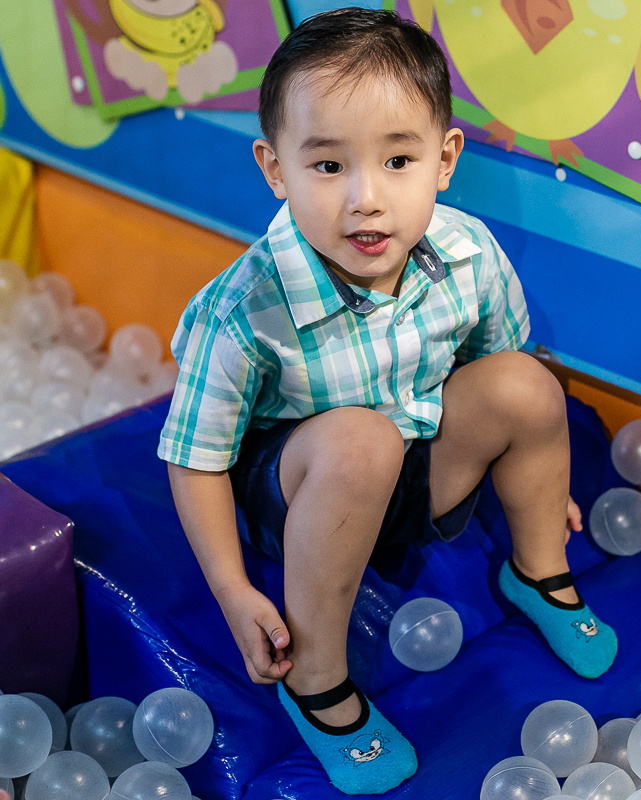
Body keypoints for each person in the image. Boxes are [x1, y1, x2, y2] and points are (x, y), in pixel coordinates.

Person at [157, 8, 617, 794]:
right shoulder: (246, 309)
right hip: (306, 491)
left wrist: (543, 487)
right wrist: (233, 590)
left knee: (526, 381)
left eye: (398, 160)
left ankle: (537, 572)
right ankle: (317, 679)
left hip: (418, 462)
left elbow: (500, 370)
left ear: (444, 161)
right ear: (275, 169)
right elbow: (195, 459)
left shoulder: (467, 253)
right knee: (359, 442)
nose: (365, 199)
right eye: (328, 166)